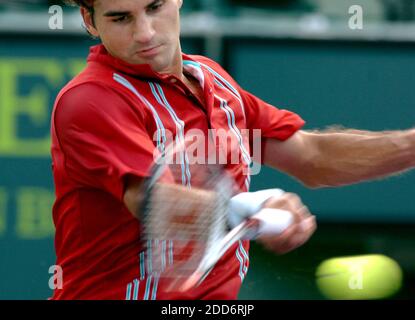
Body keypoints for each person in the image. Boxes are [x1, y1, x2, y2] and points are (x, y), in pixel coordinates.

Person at [50, 0, 415, 300]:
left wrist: (410, 144)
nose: (144, 33)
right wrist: (253, 208)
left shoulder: (212, 79)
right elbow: (152, 202)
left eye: (155, 7)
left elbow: (313, 159)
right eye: (121, 18)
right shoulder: (88, 101)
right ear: (90, 20)